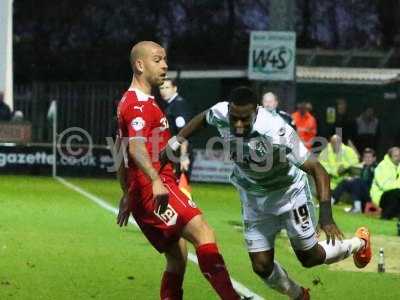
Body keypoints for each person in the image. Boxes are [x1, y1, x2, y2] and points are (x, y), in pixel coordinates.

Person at [162, 86, 371, 300]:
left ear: (256, 112)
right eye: (234, 118)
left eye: (245, 119)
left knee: (309, 257)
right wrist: (177, 140)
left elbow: (318, 170)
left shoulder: (275, 129)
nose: (239, 125)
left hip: (289, 194)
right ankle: (299, 295)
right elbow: (204, 118)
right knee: (261, 266)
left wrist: (326, 216)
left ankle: (359, 243)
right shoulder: (221, 111)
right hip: (254, 198)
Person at [116, 41, 242, 300]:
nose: (165, 65)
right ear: (140, 65)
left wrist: (127, 192)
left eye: (165, 60)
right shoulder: (138, 105)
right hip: (155, 189)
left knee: (177, 257)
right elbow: (135, 149)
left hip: (144, 191)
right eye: (158, 60)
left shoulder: (132, 101)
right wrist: (154, 180)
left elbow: (119, 148)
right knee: (203, 232)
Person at [159, 78, 193, 180]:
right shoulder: (171, 105)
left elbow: (183, 133)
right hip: (174, 151)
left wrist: (183, 156)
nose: (164, 90)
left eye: (167, 87)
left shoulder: (178, 105)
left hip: (180, 152)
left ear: (175, 88)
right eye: (161, 88)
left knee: (180, 189)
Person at [332, 148, 377, 213]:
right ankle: (330, 201)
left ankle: (357, 207)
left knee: (357, 181)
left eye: (369, 157)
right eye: (365, 157)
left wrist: (356, 179)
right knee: (345, 181)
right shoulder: (364, 167)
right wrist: (353, 178)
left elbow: (368, 182)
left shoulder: (375, 168)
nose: (367, 159)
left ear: (374, 158)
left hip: (370, 194)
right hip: (361, 190)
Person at [370, 147, 400, 219]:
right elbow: (385, 186)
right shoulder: (381, 167)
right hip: (380, 196)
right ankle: (385, 215)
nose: (398, 158)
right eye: (396, 156)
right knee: (396, 193)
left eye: (399, 155)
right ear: (390, 157)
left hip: (395, 195)